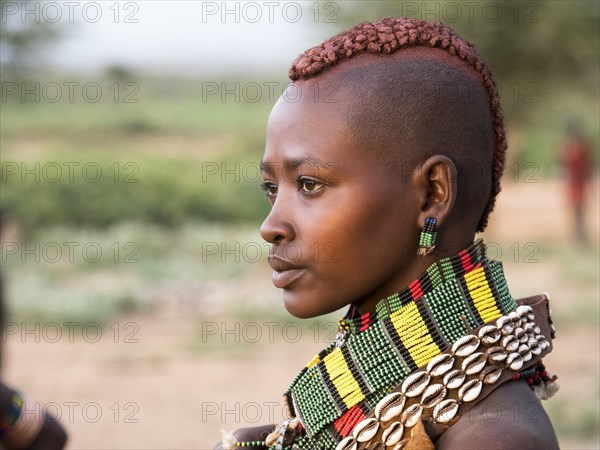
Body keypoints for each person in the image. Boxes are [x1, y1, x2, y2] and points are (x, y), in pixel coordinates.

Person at [215, 17, 559, 449]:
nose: (272, 227)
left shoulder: (495, 439)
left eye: (309, 185)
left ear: (433, 193)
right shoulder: (367, 405)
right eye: (271, 188)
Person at [560, 120, 593, 244]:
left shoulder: (570, 148)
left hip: (578, 185)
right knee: (577, 211)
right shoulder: (574, 148)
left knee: (579, 211)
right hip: (575, 186)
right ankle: (578, 236)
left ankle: (580, 236)